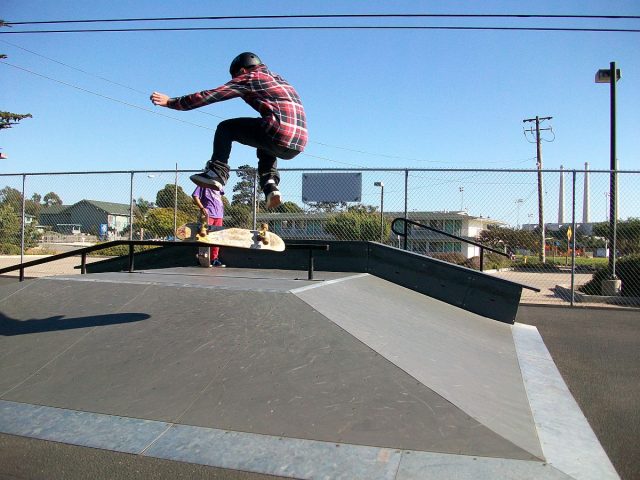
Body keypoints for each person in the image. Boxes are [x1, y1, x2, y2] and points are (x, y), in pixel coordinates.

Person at [150, 52, 307, 210]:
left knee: (226, 128)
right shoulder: (278, 79)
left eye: (234, 77)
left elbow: (210, 96)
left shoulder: (249, 77)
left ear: (241, 71)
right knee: (265, 143)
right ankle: (270, 185)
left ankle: (217, 173)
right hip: (298, 143)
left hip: (277, 130)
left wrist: (171, 102)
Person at [192, 185, 225, 267]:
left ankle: (214, 259)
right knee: (204, 235)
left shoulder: (219, 185)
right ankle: (202, 258)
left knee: (217, 237)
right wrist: (202, 208)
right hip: (208, 214)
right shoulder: (203, 184)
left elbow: (219, 197)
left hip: (219, 215)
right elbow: (195, 195)